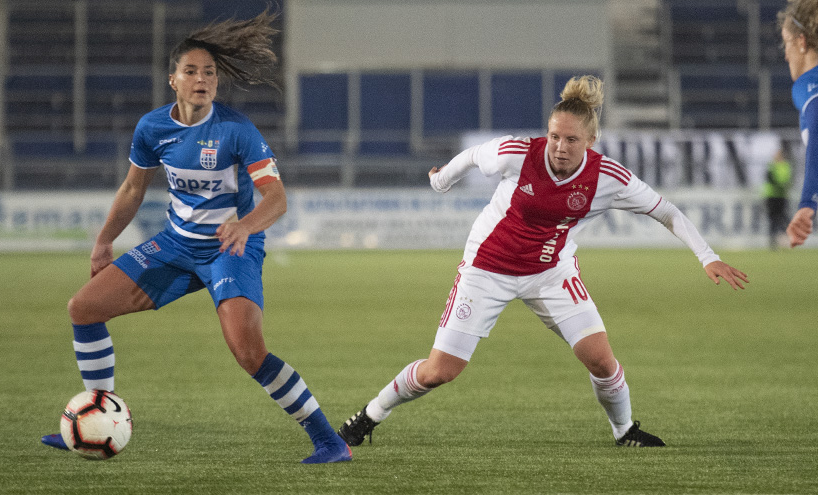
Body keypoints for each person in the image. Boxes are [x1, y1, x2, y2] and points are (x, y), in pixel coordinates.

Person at [337, 75, 749, 449]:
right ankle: (370, 415)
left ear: (590, 142)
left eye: (571, 140)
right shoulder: (516, 153)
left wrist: (707, 258)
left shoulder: (609, 178)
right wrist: (440, 179)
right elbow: (473, 155)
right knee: (438, 372)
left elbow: (666, 211)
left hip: (550, 274)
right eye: (554, 136)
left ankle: (624, 432)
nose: (559, 147)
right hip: (486, 270)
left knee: (602, 361)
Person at [40, 11, 351, 464]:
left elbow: (277, 198)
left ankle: (329, 441)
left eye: (209, 73)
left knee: (248, 352)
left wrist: (245, 225)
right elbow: (132, 189)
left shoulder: (236, 130)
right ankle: (98, 416)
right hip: (175, 244)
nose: (201, 79)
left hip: (230, 249)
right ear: (173, 80)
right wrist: (105, 240)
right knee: (83, 308)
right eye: (191, 71)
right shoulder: (153, 128)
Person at [779, 2, 818, 247]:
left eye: (787, 43)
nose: (785, 54)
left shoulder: (808, 83)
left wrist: (807, 202)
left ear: (802, 42)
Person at [763, 148, 792, 249]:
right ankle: (773, 241)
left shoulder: (785, 166)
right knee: (772, 219)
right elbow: (769, 178)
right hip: (771, 195)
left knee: (782, 217)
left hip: (781, 196)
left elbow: (785, 180)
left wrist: (778, 183)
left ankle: (786, 239)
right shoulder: (772, 165)